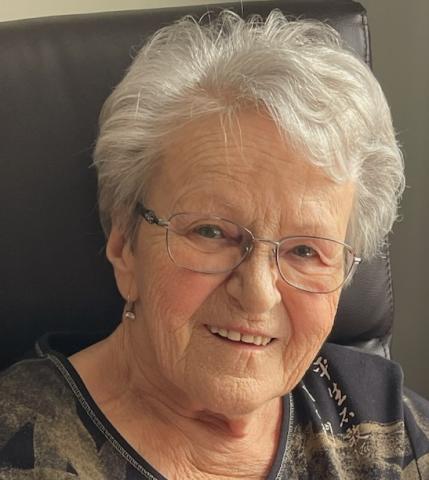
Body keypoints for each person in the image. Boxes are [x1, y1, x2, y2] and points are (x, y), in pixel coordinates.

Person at [1, 9, 428, 479]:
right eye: (211, 231)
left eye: (306, 251)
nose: (258, 294)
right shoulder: (23, 446)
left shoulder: (384, 418)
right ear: (124, 243)